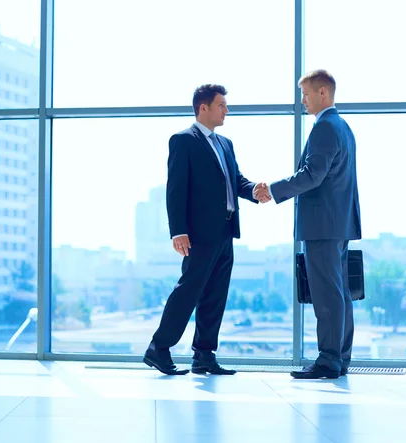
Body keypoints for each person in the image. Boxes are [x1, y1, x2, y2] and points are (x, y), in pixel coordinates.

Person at [143, 84, 269, 376]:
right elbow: (175, 189)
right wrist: (178, 230)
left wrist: (255, 191)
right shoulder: (183, 140)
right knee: (189, 290)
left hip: (226, 230)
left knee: (215, 294)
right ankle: (158, 348)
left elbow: (236, 181)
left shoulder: (226, 144)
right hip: (198, 233)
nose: (227, 110)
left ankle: (204, 355)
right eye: (221, 105)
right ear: (204, 108)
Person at [255, 70, 362, 379]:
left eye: (305, 94)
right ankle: (339, 357)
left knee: (327, 294)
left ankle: (329, 360)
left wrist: (273, 191)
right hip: (338, 224)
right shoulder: (343, 127)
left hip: (322, 226)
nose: (301, 100)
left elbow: (312, 175)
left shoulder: (325, 128)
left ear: (323, 92)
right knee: (339, 291)